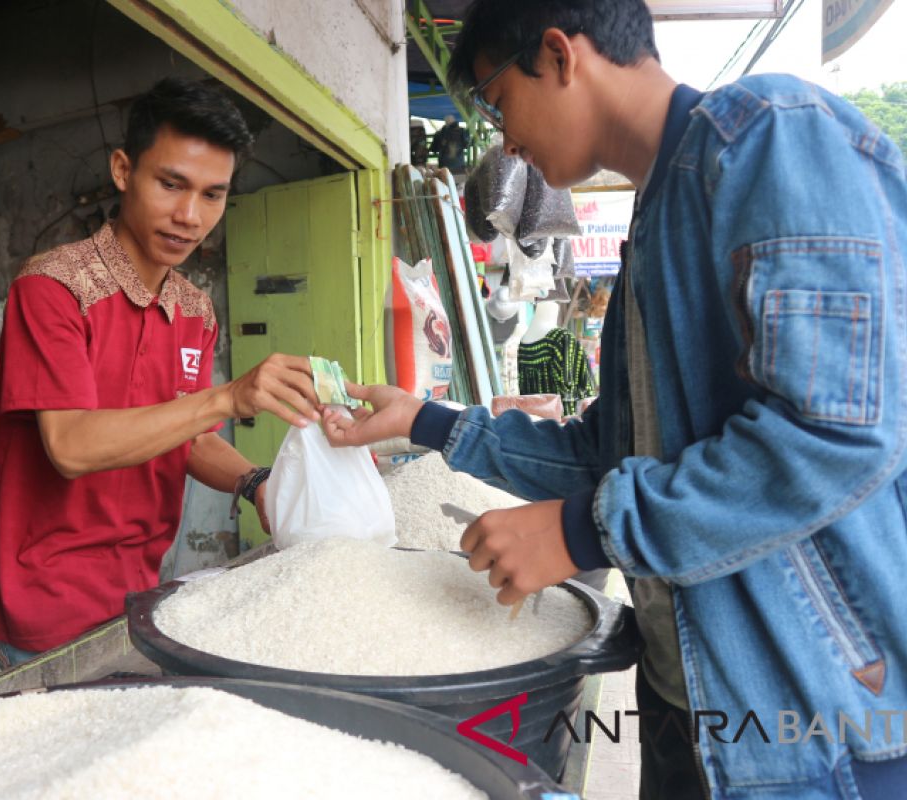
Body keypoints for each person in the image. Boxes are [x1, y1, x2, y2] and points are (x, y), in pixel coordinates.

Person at [322, 2, 907, 798]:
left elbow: (832, 435)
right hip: (682, 702)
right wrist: (426, 420)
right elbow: (608, 456)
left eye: (497, 105)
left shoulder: (769, 138)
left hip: (816, 720)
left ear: (560, 55)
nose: (507, 142)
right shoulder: (654, 225)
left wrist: (581, 531)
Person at [0, 78, 320, 668]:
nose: (189, 216)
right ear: (123, 170)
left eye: (212, 194)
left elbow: (187, 435)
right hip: (46, 601)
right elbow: (70, 446)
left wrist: (258, 483)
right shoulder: (53, 288)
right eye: (171, 184)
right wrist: (226, 398)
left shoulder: (194, 310)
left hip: (142, 585)